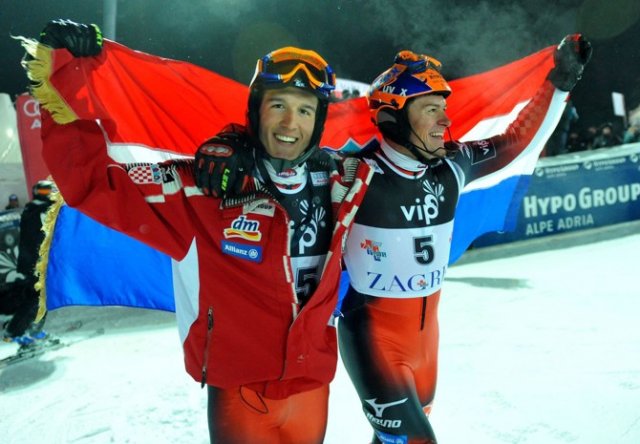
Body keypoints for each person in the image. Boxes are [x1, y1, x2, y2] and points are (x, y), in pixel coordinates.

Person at [197, 36, 592, 443]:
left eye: (443, 109)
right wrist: (232, 142)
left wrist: (560, 82)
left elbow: (516, 139)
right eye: (431, 110)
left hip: (426, 346)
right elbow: (283, 150)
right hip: (372, 341)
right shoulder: (351, 173)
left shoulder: (453, 165)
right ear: (393, 117)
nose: (444, 121)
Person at [27, 19, 372, 444]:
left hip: (313, 386)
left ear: (318, 122)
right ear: (255, 111)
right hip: (240, 394)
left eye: (305, 110)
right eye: (278, 105)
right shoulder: (200, 189)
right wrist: (67, 71)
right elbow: (93, 180)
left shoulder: (345, 182)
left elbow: (409, 153)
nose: (290, 122)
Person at [1, 180, 54, 344]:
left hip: (31, 262)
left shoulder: (31, 210)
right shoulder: (39, 210)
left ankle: (30, 329)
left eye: (47, 191)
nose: (46, 195)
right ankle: (16, 331)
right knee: (36, 298)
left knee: (39, 297)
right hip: (34, 263)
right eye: (44, 192)